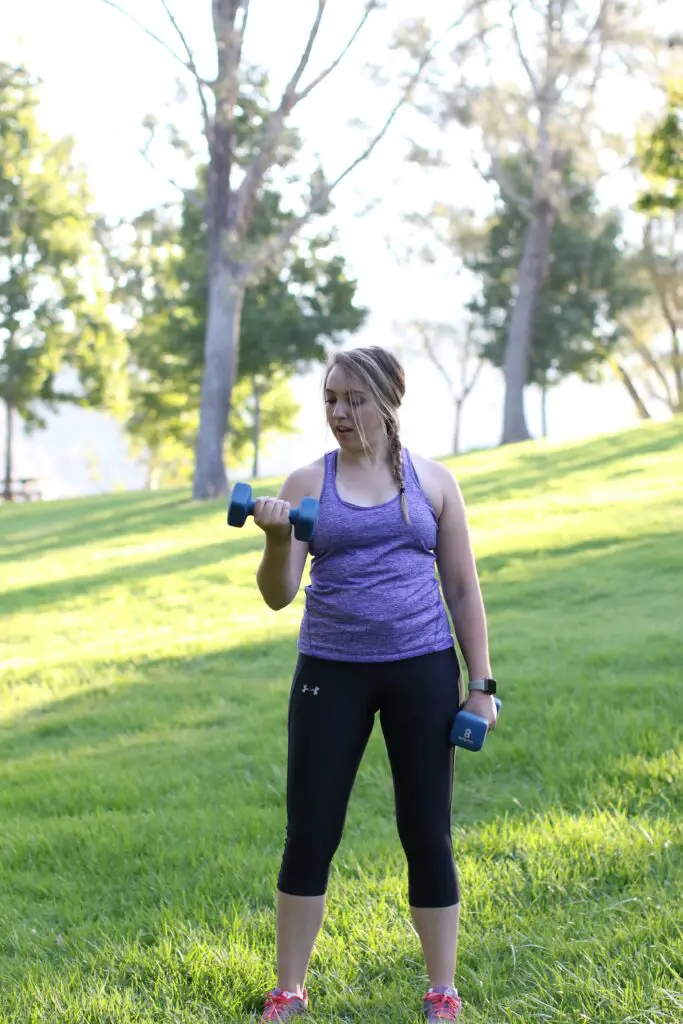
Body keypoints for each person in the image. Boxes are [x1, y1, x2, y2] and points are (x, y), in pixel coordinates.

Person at [252, 346, 497, 1021]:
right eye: (330, 397)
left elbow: (461, 587)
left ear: (388, 402)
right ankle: (288, 989)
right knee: (310, 831)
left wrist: (480, 683)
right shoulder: (307, 482)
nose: (338, 412)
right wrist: (276, 541)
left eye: (353, 399)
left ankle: (441, 989)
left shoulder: (435, 482)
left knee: (426, 828)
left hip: (421, 667)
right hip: (330, 671)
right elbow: (278, 595)